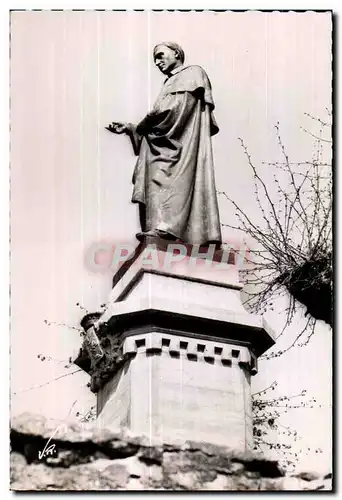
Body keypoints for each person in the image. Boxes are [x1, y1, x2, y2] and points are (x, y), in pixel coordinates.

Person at [107, 41, 222, 246]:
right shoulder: (171, 81)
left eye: (161, 55)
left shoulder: (191, 74)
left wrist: (143, 126)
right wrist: (133, 128)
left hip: (179, 147)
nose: (158, 62)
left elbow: (174, 111)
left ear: (176, 53)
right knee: (156, 181)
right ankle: (160, 229)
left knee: (167, 181)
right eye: (155, 59)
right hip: (164, 143)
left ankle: (168, 229)